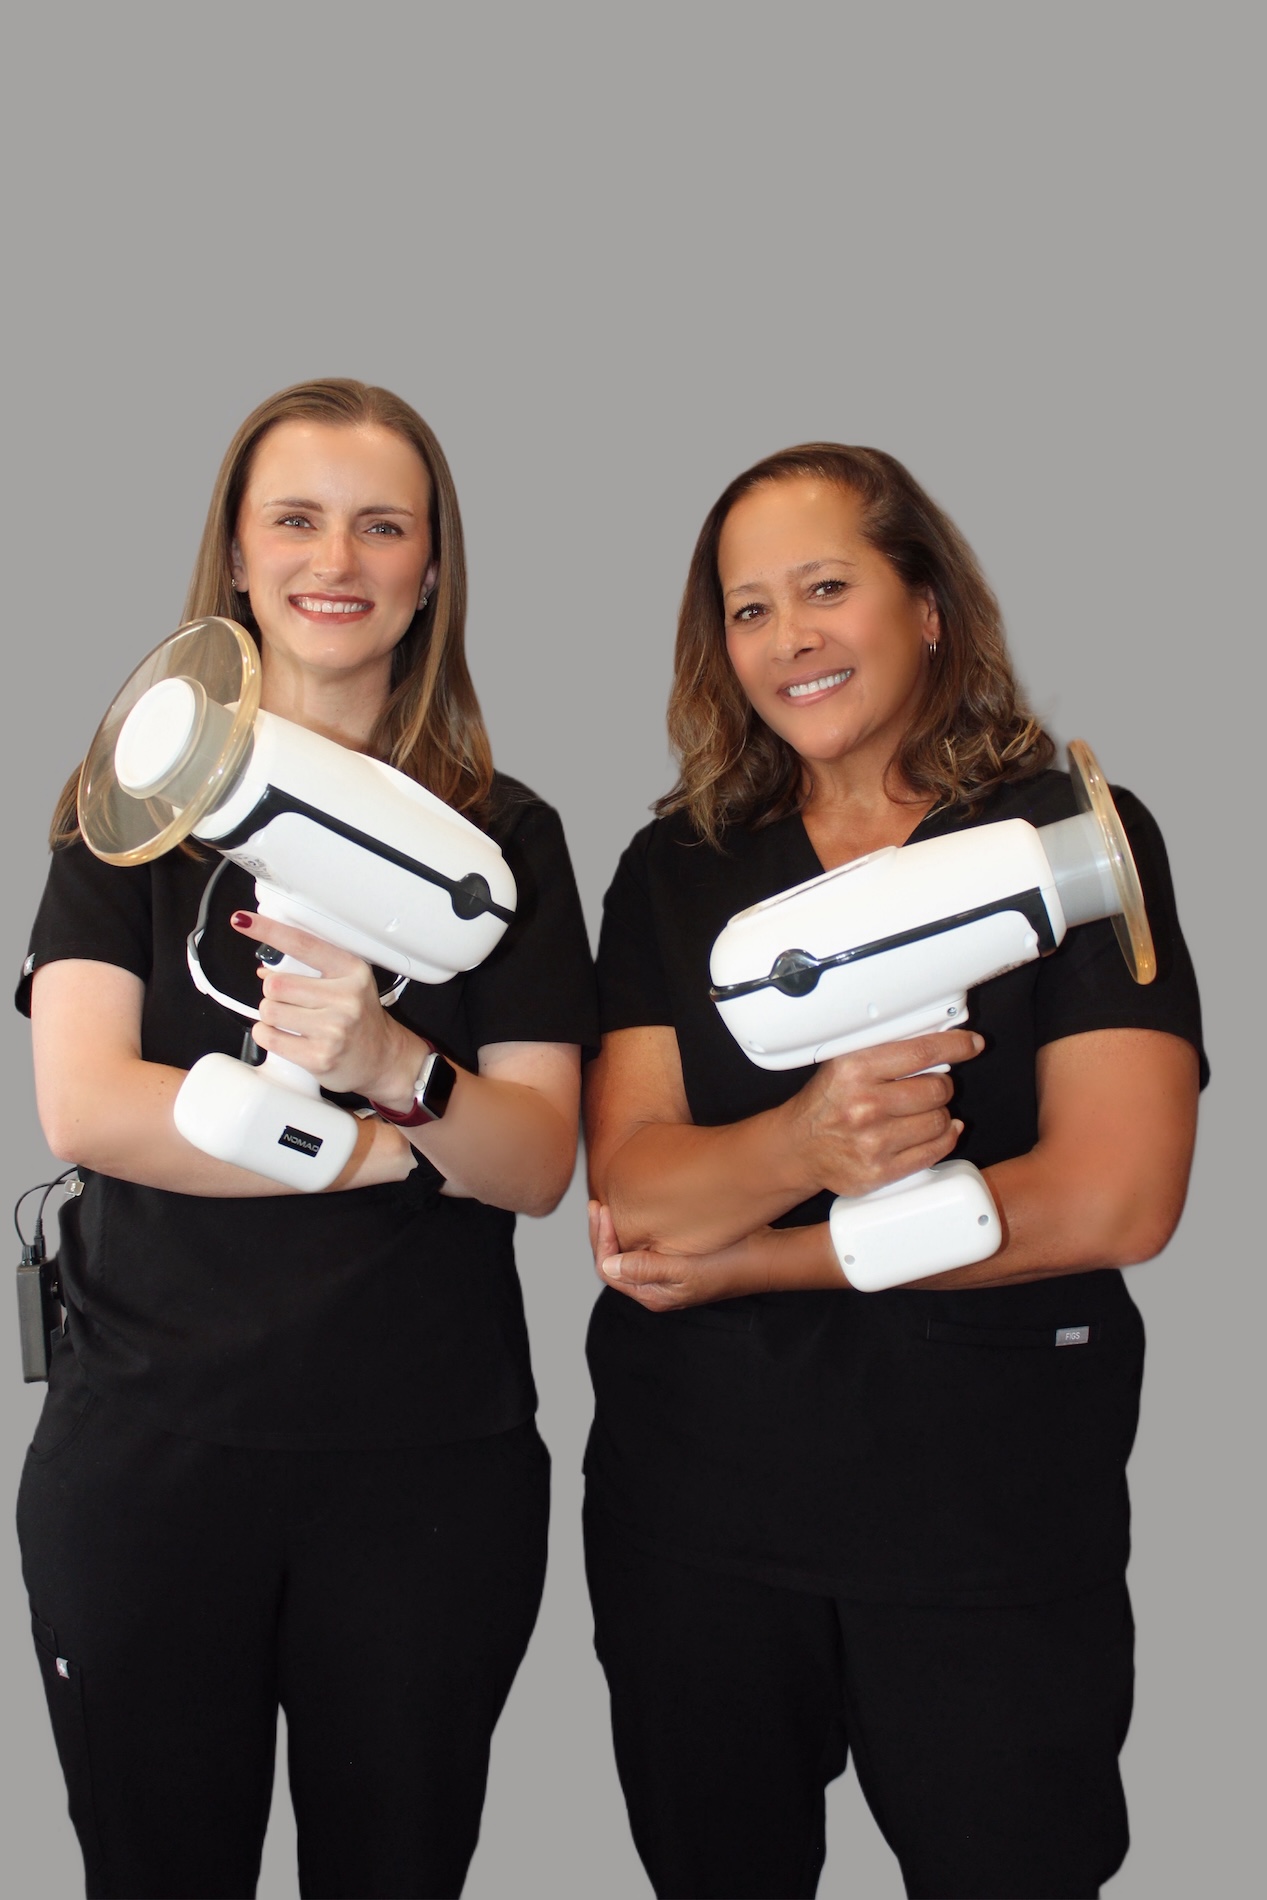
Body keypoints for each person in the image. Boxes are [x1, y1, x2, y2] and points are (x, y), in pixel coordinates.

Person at [583, 444, 1205, 1900]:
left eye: (825, 588)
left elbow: (1119, 1198)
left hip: (988, 1521)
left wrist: (768, 1247)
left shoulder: (1067, 850)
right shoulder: (678, 869)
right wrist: (806, 1141)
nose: (787, 638)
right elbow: (636, 1203)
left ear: (927, 606)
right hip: (700, 1521)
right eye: (746, 610)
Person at [16, 378, 597, 1899]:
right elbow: (88, 1107)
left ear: (427, 570)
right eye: (295, 517)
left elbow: (539, 1164)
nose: (335, 557)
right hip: (148, 1452)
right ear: (234, 555)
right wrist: (382, 1150)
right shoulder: (120, 810)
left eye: (382, 525)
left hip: (423, 1469)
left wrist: (399, 1059)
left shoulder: (505, 839)